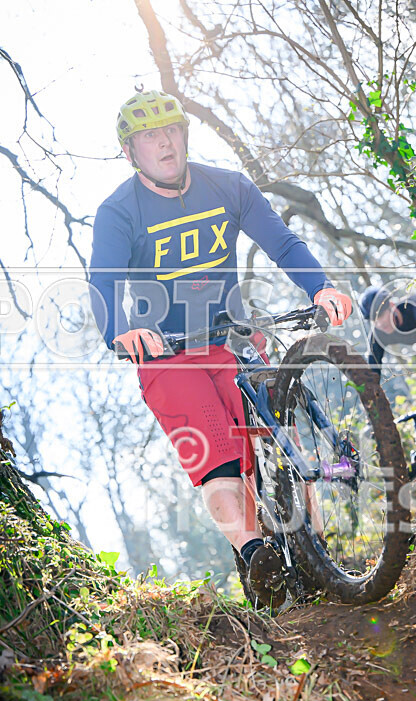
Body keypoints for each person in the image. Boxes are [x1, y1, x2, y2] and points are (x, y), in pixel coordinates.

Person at [88, 89, 352, 606]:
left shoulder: (228, 186)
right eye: (149, 137)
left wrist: (320, 286)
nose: (163, 143)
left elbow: (281, 242)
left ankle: (320, 553)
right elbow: (103, 281)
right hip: (167, 354)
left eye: (171, 130)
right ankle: (257, 556)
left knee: (283, 439)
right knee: (217, 456)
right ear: (130, 152)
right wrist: (121, 331)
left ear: (185, 134)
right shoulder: (118, 212)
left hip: (234, 338)